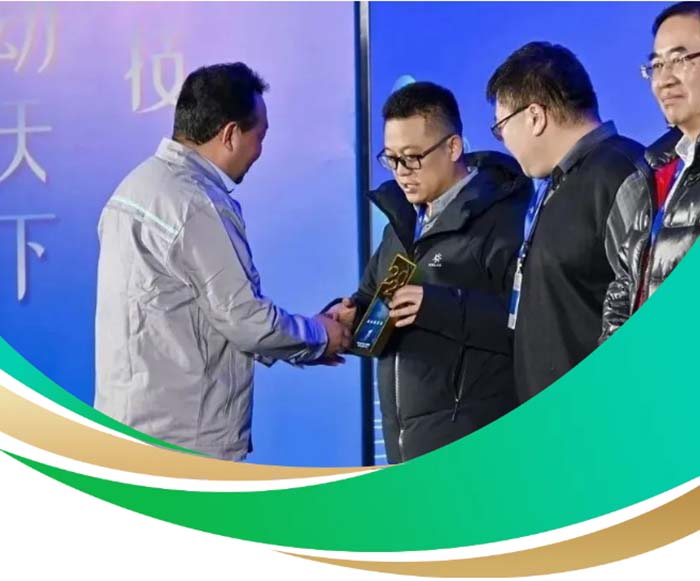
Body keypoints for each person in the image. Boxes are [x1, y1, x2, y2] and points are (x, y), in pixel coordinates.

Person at [94, 63, 350, 461]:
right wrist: (319, 336)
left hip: (129, 431)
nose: (260, 151)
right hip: (184, 444)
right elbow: (244, 319)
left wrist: (305, 339)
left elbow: (206, 313)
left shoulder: (134, 188)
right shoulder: (195, 203)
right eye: (259, 136)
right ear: (230, 134)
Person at [329, 82, 531, 463]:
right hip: (404, 449)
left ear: (453, 148)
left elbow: (528, 326)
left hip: (476, 451)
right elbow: (373, 301)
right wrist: (349, 318)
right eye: (391, 159)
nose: (401, 173)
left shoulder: (505, 218)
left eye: (412, 158)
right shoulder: (402, 224)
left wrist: (437, 306)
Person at [486, 42, 649, 402]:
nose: (503, 141)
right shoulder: (556, 184)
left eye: (501, 127)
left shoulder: (622, 174)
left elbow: (644, 312)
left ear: (534, 117)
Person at [602, 2, 700, 340]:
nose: (664, 80)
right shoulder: (657, 170)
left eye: (680, 59)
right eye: (657, 65)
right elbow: (625, 285)